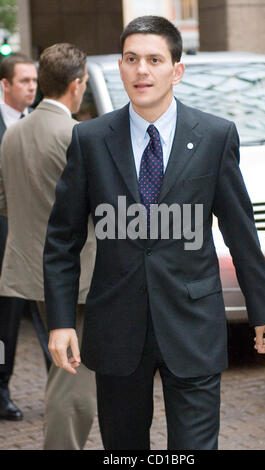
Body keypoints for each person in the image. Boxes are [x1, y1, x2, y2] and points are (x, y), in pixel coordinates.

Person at [43, 16, 265, 450]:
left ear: (177, 69)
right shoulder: (90, 140)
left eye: (155, 59)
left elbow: (240, 231)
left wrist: (264, 309)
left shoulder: (214, 136)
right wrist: (60, 322)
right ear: (120, 66)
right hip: (116, 329)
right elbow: (62, 240)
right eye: (132, 59)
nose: (142, 71)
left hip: (193, 325)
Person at [0, 43, 97, 449]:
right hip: (78, 273)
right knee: (73, 374)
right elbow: (99, 208)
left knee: (65, 367)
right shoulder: (77, 134)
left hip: (31, 268)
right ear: (76, 85)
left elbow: (4, 200)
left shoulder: (14, 132)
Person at [0, 53, 37, 421]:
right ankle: (1, 388)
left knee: (49, 321)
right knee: (4, 327)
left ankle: (60, 386)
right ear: (5, 85)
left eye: (34, 81)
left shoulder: (38, 124)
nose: (31, 87)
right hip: (4, 247)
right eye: (24, 81)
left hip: (39, 247)